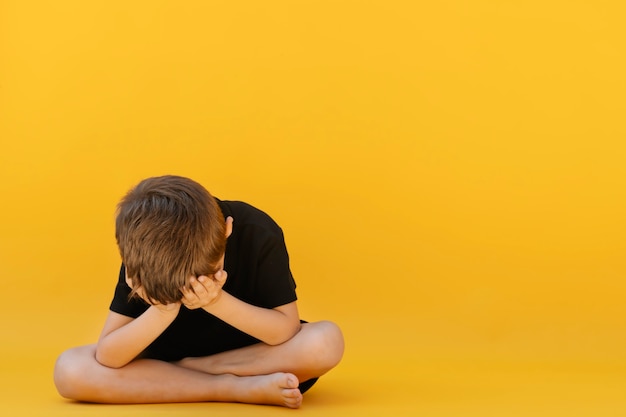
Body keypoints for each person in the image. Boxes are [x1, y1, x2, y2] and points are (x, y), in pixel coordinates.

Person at [54, 175, 344, 408]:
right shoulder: (147, 253)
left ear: (226, 231)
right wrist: (162, 311)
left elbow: (284, 330)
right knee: (70, 371)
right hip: (162, 361)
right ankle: (230, 388)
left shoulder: (257, 230)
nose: (192, 285)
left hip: (254, 357)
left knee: (326, 342)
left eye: (207, 272)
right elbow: (109, 356)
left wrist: (216, 301)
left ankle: (192, 371)